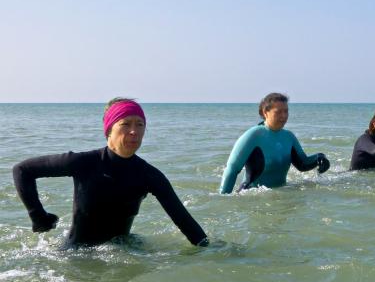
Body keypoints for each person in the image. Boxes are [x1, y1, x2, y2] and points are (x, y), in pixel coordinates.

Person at [13, 98, 218, 248]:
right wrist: (38, 216)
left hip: (122, 251)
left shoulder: (149, 175)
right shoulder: (83, 162)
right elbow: (22, 170)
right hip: (75, 256)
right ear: (109, 130)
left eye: (140, 125)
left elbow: (183, 220)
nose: (134, 131)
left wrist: (213, 250)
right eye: (125, 124)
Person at [220, 93, 330, 193]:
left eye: (286, 111)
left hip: (281, 195)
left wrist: (320, 157)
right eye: (278, 112)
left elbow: (303, 164)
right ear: (265, 112)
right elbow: (232, 169)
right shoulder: (253, 135)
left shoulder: (289, 137)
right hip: (253, 199)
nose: (284, 116)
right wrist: (223, 198)